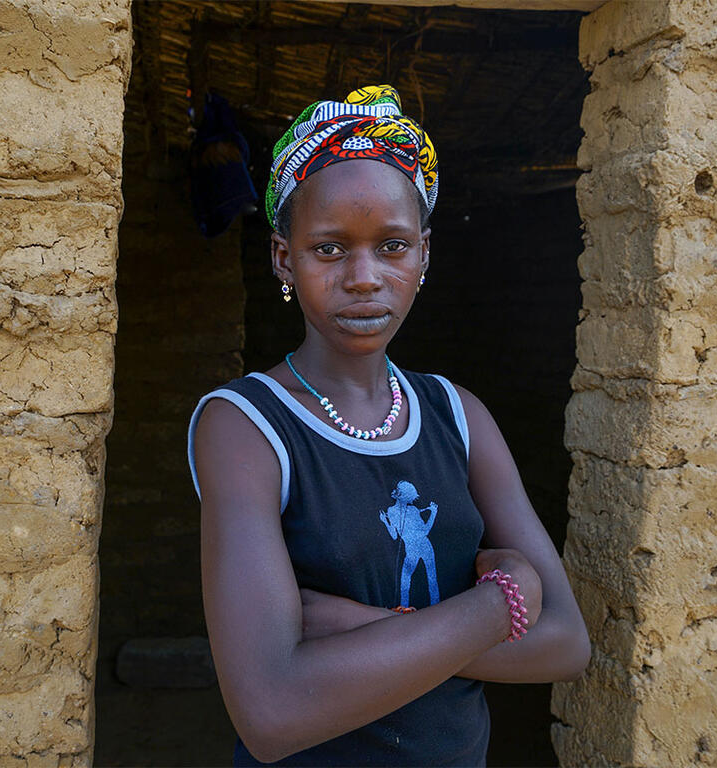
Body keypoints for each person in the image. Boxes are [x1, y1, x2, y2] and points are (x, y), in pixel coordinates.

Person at [187, 84, 591, 767]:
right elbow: (271, 712)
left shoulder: (457, 415)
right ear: (285, 259)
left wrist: (355, 627)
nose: (366, 277)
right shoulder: (245, 427)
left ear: (424, 256)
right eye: (329, 250)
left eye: (393, 246)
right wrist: (499, 606)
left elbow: (565, 642)